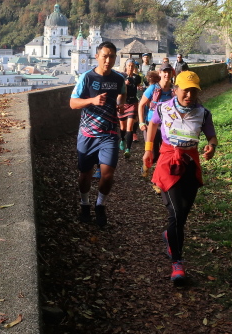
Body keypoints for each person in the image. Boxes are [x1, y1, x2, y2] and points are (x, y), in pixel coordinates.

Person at [143, 71, 217, 283]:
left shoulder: (203, 113)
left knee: (182, 214)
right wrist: (148, 149)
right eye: (186, 90)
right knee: (175, 214)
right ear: (175, 90)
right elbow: (153, 124)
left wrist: (211, 147)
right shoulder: (163, 108)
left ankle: (170, 235)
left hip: (190, 164)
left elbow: (212, 137)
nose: (189, 95)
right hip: (168, 162)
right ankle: (177, 262)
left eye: (194, 91)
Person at [71, 41, 126, 227]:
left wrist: (120, 103)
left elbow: (122, 93)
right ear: (97, 57)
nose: (108, 60)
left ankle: (100, 205)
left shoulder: (119, 79)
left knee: (107, 174)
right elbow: (72, 103)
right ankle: (85, 204)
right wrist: (92, 100)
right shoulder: (86, 77)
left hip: (109, 134)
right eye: (105, 56)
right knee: (85, 174)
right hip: (88, 134)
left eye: (112, 57)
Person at [138, 63, 176, 167]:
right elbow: (141, 105)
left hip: (167, 126)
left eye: (169, 72)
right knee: (152, 153)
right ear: (160, 73)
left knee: (166, 152)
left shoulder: (174, 90)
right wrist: (141, 122)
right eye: (165, 72)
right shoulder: (153, 88)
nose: (167, 74)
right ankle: (146, 167)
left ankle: (160, 172)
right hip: (151, 125)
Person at [117, 59, 142, 157]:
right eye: (129, 66)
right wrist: (124, 84)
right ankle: (123, 139)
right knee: (123, 127)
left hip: (133, 102)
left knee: (130, 127)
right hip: (123, 103)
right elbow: (117, 88)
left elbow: (138, 85)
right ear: (126, 66)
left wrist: (139, 87)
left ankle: (128, 149)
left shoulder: (137, 77)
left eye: (132, 66)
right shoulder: (121, 76)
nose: (131, 68)